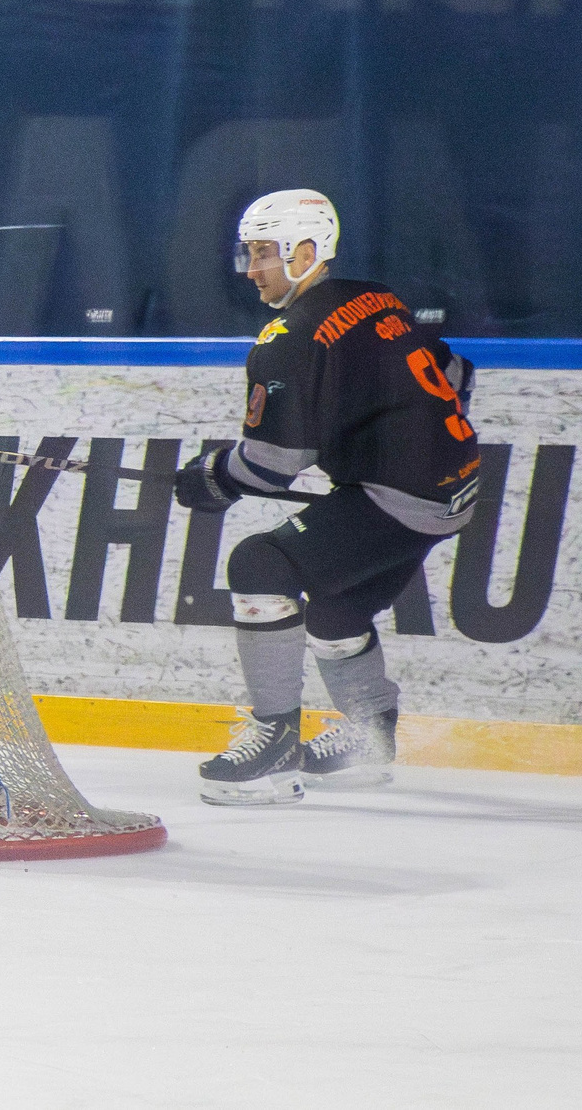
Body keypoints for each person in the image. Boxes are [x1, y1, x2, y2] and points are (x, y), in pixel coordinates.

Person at [173, 190, 480, 805]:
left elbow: (270, 467)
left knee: (260, 564)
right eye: (249, 254)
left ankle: (274, 744)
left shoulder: (288, 337)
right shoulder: (374, 297)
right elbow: (458, 376)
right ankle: (369, 741)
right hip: (457, 486)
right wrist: (395, 440)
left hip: (403, 496)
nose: (251, 269)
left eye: (262, 253)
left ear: (307, 251)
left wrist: (209, 480)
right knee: (336, 609)